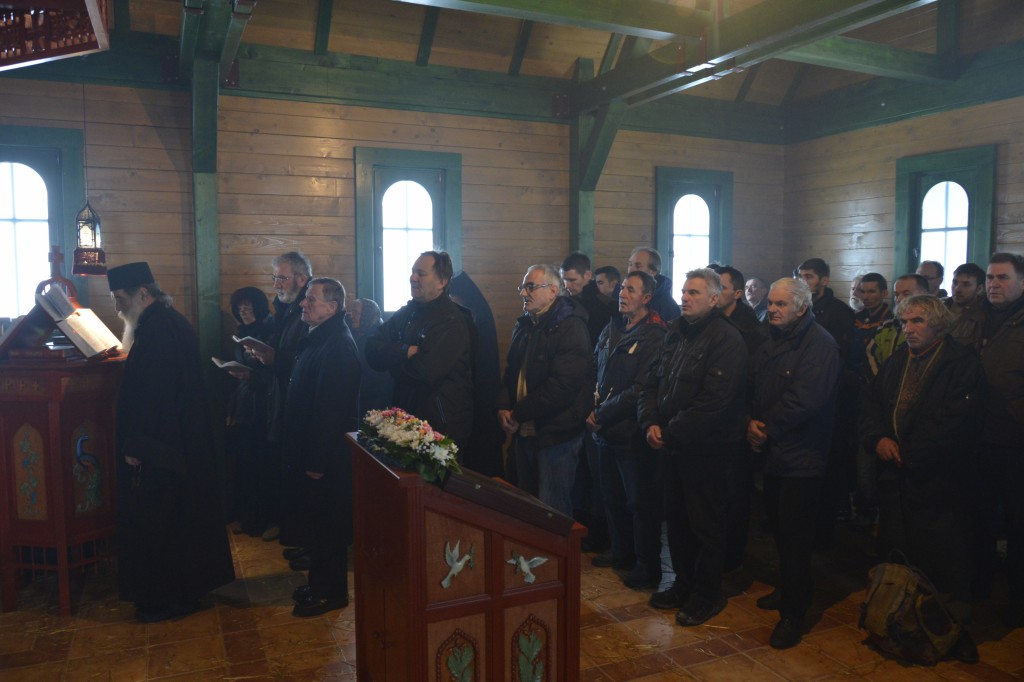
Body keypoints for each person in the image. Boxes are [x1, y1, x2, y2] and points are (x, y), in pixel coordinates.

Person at [860, 294, 984, 663]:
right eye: (904, 322)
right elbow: (871, 404)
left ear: (938, 325)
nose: (909, 329)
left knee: (944, 562)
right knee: (901, 555)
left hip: (938, 479)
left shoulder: (960, 362)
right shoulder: (899, 359)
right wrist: (878, 439)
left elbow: (955, 420)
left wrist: (909, 453)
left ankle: (951, 631)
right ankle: (903, 625)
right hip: (896, 479)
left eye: (917, 322)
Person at [108, 262, 234, 623]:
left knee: (163, 524)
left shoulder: (160, 330)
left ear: (142, 294)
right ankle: (179, 593)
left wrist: (137, 446)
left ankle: (166, 599)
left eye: (120, 299)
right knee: (176, 522)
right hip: (174, 443)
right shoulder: (161, 323)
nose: (117, 307)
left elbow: (155, 398)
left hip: (163, 448)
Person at [639, 268, 748, 627]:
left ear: (714, 299)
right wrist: (650, 422)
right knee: (677, 522)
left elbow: (714, 403)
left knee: (706, 526)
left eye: (694, 293)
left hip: (707, 450)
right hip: (673, 447)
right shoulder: (676, 333)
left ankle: (706, 594)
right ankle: (683, 584)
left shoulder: (726, 339)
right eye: (684, 292)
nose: (685, 298)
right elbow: (650, 383)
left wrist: (669, 432)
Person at [747, 277, 841, 649]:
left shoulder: (820, 345)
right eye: (771, 303)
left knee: (796, 537)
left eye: (781, 304)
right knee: (780, 532)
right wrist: (751, 422)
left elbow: (805, 400)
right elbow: (757, 386)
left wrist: (765, 428)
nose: (772, 309)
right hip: (775, 452)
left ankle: (795, 613)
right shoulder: (772, 336)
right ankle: (788, 589)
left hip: (802, 455)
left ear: (802, 308)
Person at [283, 277, 361, 617]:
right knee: (316, 525)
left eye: (311, 300)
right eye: (305, 299)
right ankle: (318, 584)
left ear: (331, 307)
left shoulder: (338, 347)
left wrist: (316, 461)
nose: (303, 304)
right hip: (311, 450)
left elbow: (331, 413)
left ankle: (331, 593)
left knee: (328, 528)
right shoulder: (321, 338)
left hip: (327, 458)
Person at [587, 271, 667, 589]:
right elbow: (595, 367)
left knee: (639, 503)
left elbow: (640, 388)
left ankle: (646, 564)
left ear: (646, 298)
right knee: (612, 496)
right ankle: (621, 551)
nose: (622, 294)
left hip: (630, 432)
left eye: (631, 290)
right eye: (622, 288)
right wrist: (592, 408)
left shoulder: (655, 335)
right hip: (605, 430)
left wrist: (601, 413)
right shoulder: (613, 327)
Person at [497, 264, 592, 517]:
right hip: (524, 431)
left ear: (552, 291)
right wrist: (503, 407)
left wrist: (518, 413)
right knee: (525, 508)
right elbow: (512, 372)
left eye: (531, 287)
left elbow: (562, 387)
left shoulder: (571, 327)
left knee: (552, 512)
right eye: (522, 287)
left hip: (555, 434)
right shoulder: (525, 324)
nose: (523, 293)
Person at [365, 251, 476, 452]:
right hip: (407, 422)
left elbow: (424, 372)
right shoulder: (407, 313)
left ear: (441, 282)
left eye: (421, 274)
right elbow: (371, 348)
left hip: (441, 428)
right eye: (412, 272)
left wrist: (391, 362)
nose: (412, 278)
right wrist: (404, 351)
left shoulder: (451, 321)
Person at [971, 253, 1024, 627]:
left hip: (1015, 440)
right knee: (979, 519)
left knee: (1019, 525)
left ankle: (1018, 602)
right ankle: (979, 587)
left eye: (1003, 278)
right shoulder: (974, 317)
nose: (993, 284)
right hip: (976, 437)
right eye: (990, 277)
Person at [249, 251, 312, 547]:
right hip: (279, 396)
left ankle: (296, 529)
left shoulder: (308, 312)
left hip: (299, 402)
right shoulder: (284, 310)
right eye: (274, 278)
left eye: (282, 278)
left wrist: (275, 359)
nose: (276, 284)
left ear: (302, 279)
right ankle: (283, 521)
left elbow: (306, 360)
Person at [709, 264, 768, 573]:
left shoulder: (750, 331)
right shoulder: (708, 323)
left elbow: (752, 381)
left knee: (734, 495)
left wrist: (746, 419)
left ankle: (731, 557)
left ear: (736, 293)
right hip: (712, 424)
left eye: (720, 286)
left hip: (736, 422)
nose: (714, 292)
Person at [796, 258, 855, 542]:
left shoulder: (840, 313)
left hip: (830, 397)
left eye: (809, 276)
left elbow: (839, 357)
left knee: (827, 465)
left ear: (824, 280)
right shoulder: (800, 310)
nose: (804, 281)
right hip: (802, 396)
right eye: (800, 276)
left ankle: (823, 530)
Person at [561, 251, 616, 552]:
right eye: (564, 280)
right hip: (575, 395)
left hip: (594, 396)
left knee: (596, 470)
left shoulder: (602, 308)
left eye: (572, 279)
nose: (568, 285)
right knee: (580, 469)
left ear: (586, 276)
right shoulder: (568, 305)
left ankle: (599, 531)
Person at [225, 286, 275, 538]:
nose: (243, 310)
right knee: (244, 463)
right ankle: (245, 518)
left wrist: (252, 377)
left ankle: (259, 520)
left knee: (260, 466)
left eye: (248, 306)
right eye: (239, 307)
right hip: (245, 403)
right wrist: (231, 408)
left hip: (264, 406)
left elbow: (276, 375)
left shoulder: (270, 332)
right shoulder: (241, 334)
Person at [347, 297, 393, 413]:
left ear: (368, 315)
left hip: (374, 401)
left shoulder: (376, 341)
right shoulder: (359, 334)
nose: (351, 316)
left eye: (356, 313)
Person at [627, 247, 680, 322]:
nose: (631, 270)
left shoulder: (667, 306)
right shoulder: (625, 295)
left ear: (653, 272)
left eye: (638, 266)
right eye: (630, 264)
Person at [945, 263, 986, 346]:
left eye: (966, 285)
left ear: (979, 289)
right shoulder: (939, 308)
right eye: (955, 283)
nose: (957, 289)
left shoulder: (983, 316)